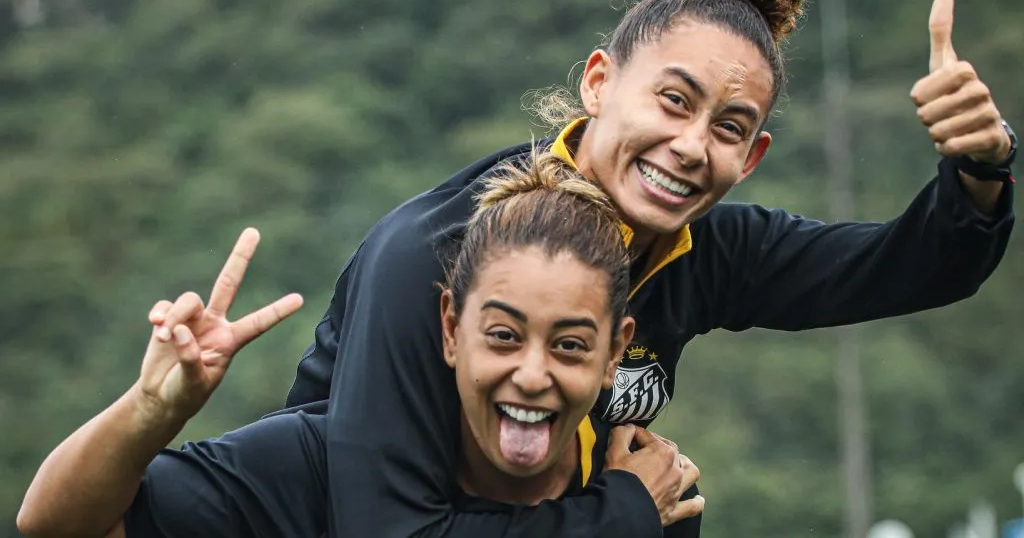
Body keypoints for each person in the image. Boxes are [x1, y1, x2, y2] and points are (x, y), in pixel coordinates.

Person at [272, 0, 1016, 535]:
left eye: (728, 128)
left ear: (751, 157)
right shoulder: (436, 256)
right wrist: (625, 510)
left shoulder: (705, 250)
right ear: (600, 82)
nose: (690, 146)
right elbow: (382, 528)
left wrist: (980, 163)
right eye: (673, 100)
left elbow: (910, 268)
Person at [17, 151, 705, 538]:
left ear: (616, 352)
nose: (531, 374)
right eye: (502, 336)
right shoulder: (316, 464)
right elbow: (57, 528)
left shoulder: (653, 498)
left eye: (570, 347)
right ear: (447, 328)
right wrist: (148, 411)